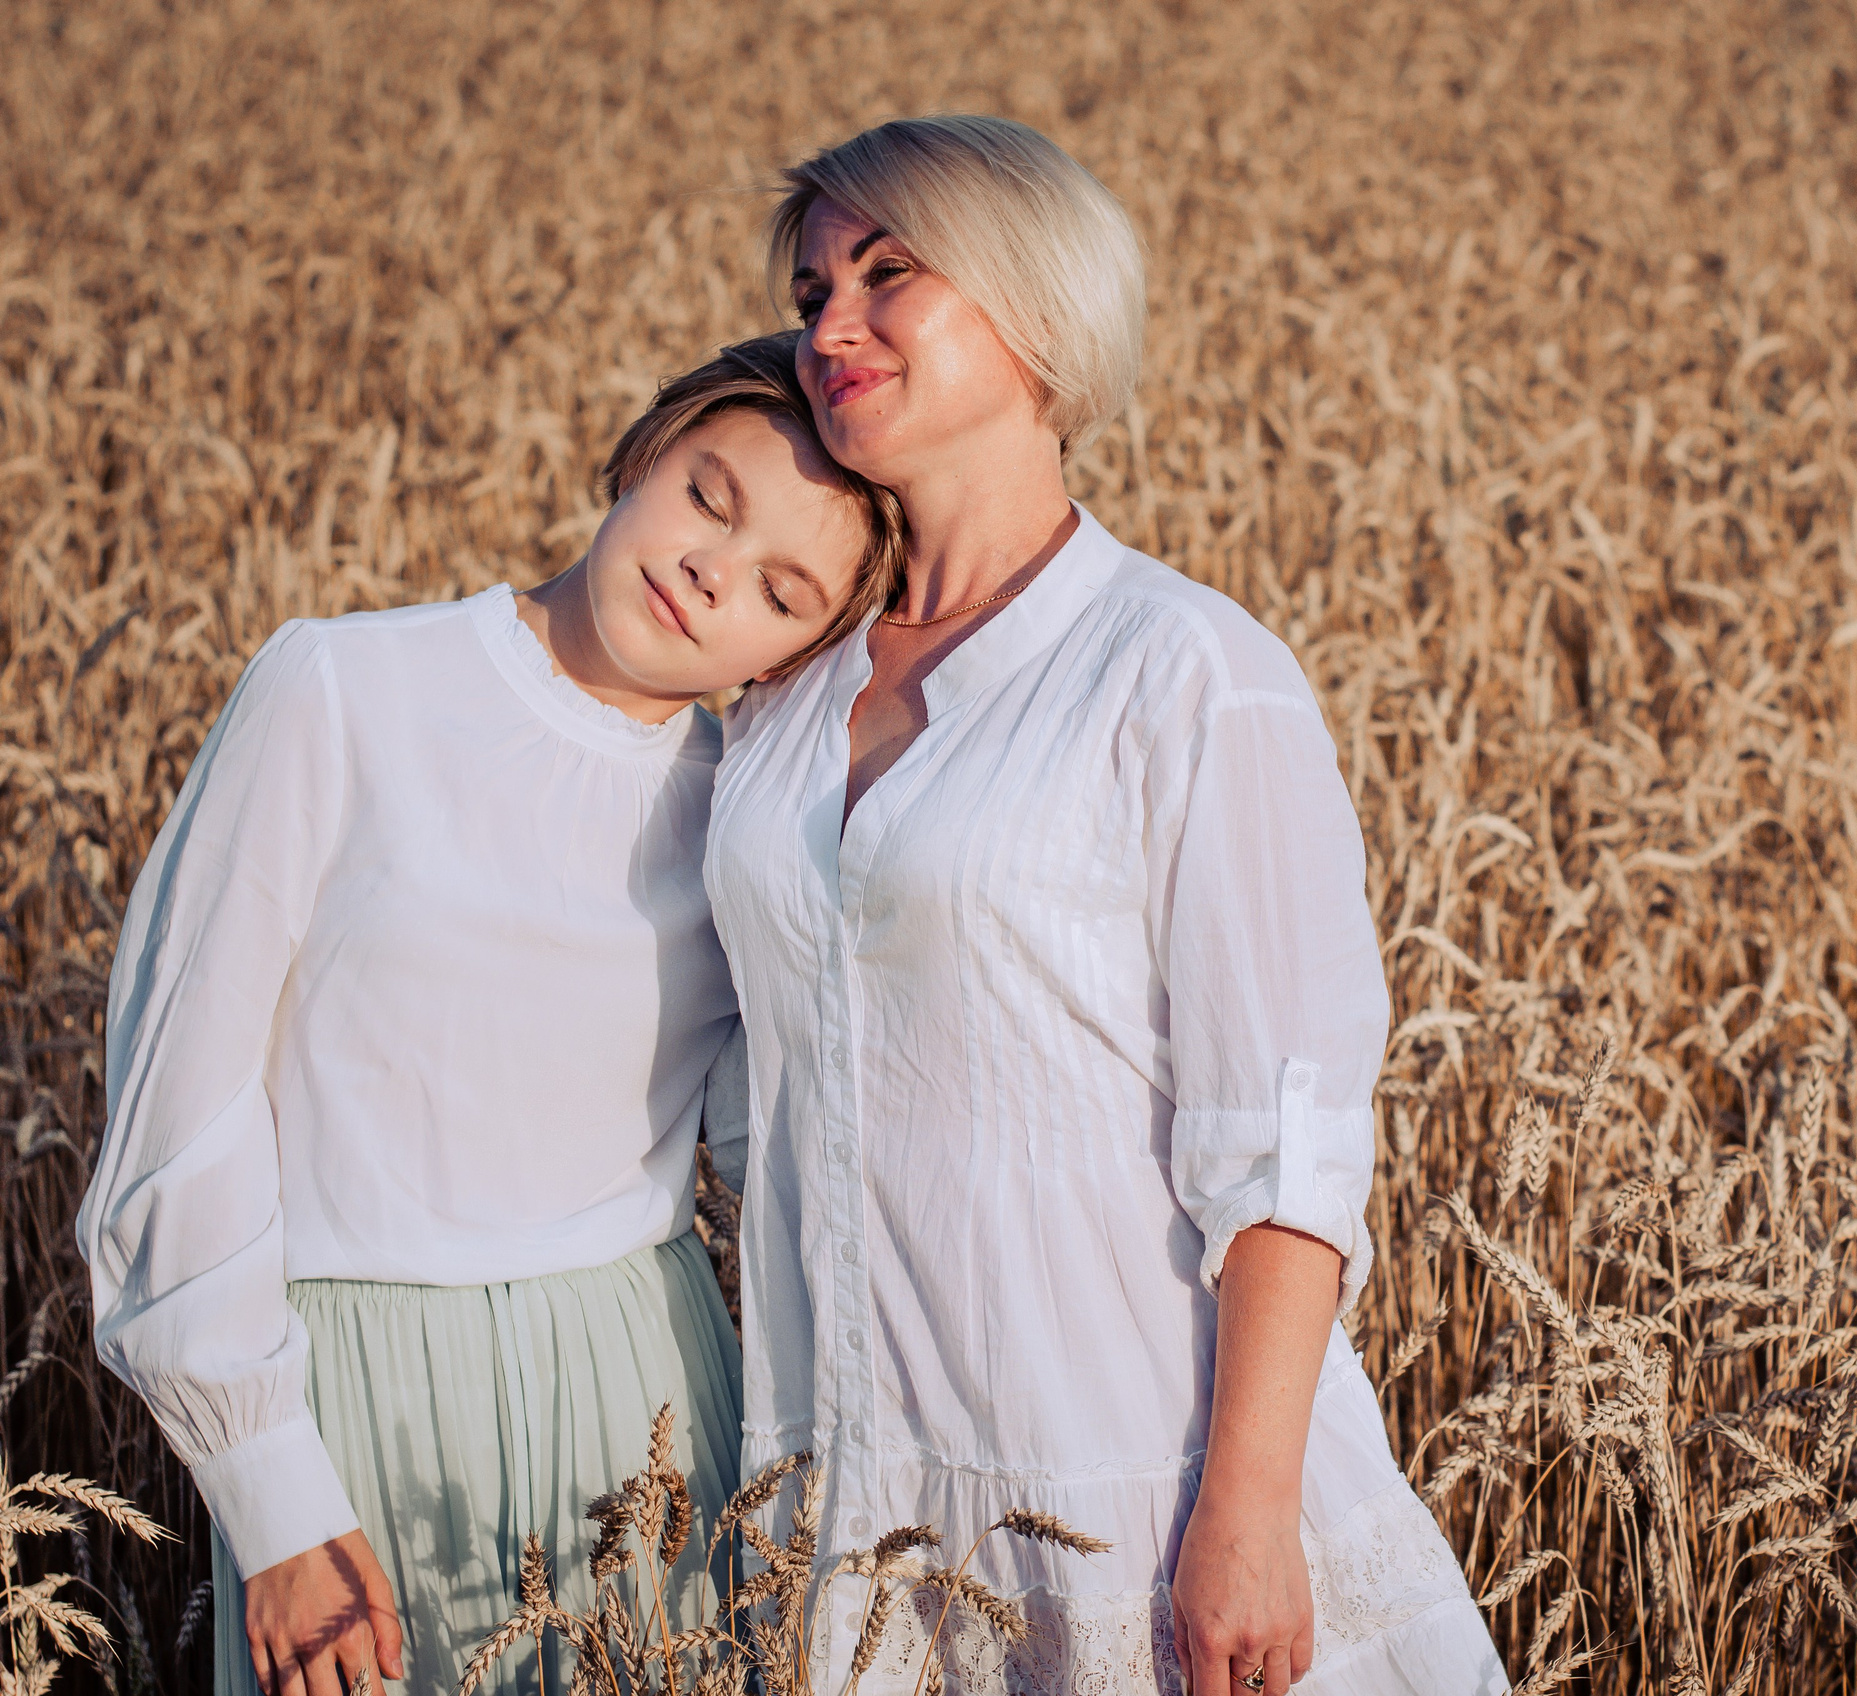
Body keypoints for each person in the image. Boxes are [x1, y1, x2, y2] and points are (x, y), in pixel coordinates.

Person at [707, 117, 1508, 1695]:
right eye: (810, 296)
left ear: (1040, 316)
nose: (829, 330)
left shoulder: (1186, 673)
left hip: (1128, 1492)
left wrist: (1249, 1515)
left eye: (887, 276)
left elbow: (1284, 1138)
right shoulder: (776, 694)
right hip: (847, 1492)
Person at [78, 334, 904, 1696]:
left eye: (782, 588)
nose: (713, 571)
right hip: (354, 1402)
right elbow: (182, 1104)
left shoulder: (744, 815)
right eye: (711, 496)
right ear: (647, 452)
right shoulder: (339, 691)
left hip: (647, 1404)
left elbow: (781, 1149)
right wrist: (272, 1489)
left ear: (803, 653)